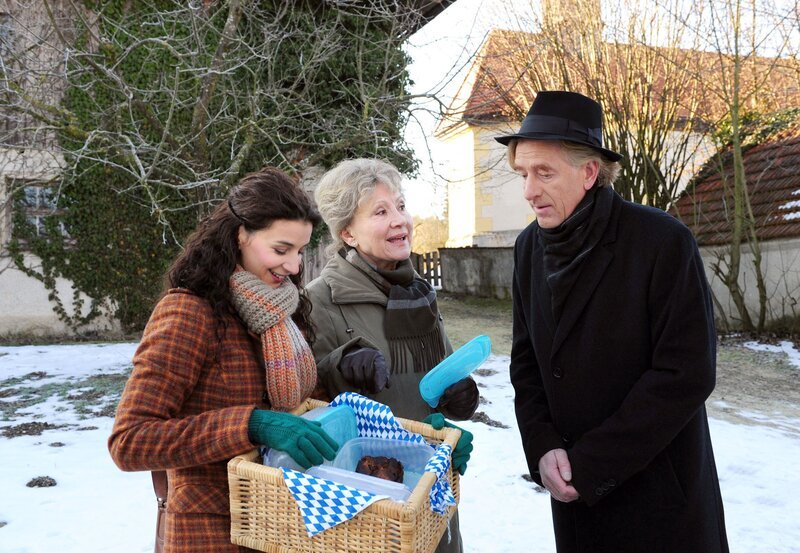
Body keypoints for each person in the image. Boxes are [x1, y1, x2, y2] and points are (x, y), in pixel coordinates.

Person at [496, 91, 729, 553]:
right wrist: (544, 448)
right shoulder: (527, 248)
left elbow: (685, 374)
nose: (528, 191)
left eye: (544, 172)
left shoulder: (661, 241)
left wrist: (592, 463)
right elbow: (527, 361)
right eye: (523, 173)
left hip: (659, 497)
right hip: (575, 501)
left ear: (589, 172)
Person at [108, 168, 339, 553]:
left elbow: (301, 409)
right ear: (240, 236)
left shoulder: (283, 311)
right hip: (212, 534)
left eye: (300, 252)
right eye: (281, 250)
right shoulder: (190, 312)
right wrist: (251, 424)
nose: (295, 267)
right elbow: (130, 441)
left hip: (283, 525)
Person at [307, 158, 479, 553]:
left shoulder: (417, 292)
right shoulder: (321, 299)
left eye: (400, 206)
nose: (400, 220)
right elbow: (302, 399)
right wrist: (339, 369)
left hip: (429, 484)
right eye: (381, 212)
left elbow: (440, 374)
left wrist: (462, 394)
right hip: (366, 495)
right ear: (347, 232)